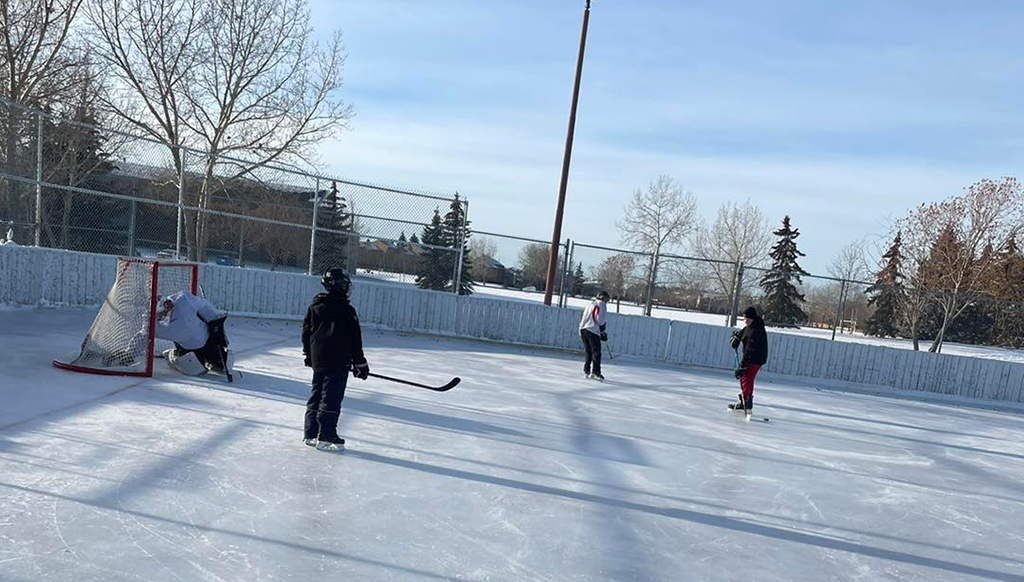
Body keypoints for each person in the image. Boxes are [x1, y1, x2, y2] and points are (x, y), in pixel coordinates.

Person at [301, 268, 370, 451]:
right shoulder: (347, 310)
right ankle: (326, 434)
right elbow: (355, 339)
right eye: (345, 284)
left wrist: (309, 355)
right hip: (338, 362)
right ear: (338, 285)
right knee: (331, 397)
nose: (347, 288)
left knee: (317, 394)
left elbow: (306, 333)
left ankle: (310, 432)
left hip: (319, 360)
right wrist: (360, 363)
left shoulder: (315, 306)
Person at [155, 291, 231, 377]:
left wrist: (149, 316)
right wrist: (215, 321)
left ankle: (172, 355)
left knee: (195, 370)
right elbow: (204, 305)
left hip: (198, 346)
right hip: (206, 340)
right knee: (201, 367)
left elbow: (150, 331)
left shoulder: (175, 326)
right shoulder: (183, 298)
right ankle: (172, 355)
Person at [729, 306, 769, 414]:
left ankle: (747, 402)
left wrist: (742, 365)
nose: (744, 321)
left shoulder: (756, 330)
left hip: (755, 358)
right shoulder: (750, 326)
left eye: (746, 319)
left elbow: (750, 350)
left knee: (747, 377)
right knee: (745, 378)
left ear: (751, 319)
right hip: (751, 357)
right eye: (744, 318)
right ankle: (745, 401)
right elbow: (743, 333)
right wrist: (737, 337)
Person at [579, 290, 610, 381]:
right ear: (603, 298)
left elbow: (584, 316)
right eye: (606, 299)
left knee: (588, 351)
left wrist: (580, 328)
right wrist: (602, 328)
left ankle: (587, 370)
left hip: (583, 329)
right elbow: (599, 319)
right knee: (596, 352)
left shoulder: (591, 304)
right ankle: (596, 372)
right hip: (592, 330)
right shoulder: (601, 304)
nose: (607, 301)